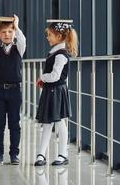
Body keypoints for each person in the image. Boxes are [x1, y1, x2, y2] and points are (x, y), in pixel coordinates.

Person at [34, 19, 78, 166]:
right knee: (47, 123)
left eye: (50, 35)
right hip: (50, 90)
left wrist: (42, 77)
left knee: (59, 123)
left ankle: (62, 155)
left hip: (56, 91)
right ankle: (41, 154)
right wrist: (44, 80)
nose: (47, 37)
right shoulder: (55, 52)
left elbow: (55, 76)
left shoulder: (60, 54)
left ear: (59, 37)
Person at [0, 14, 26, 165]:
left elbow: (22, 40)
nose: (7, 34)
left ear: (14, 33)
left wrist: (16, 25)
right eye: (3, 32)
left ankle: (14, 155)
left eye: (10, 32)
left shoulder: (19, 49)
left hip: (15, 91)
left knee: (15, 123)